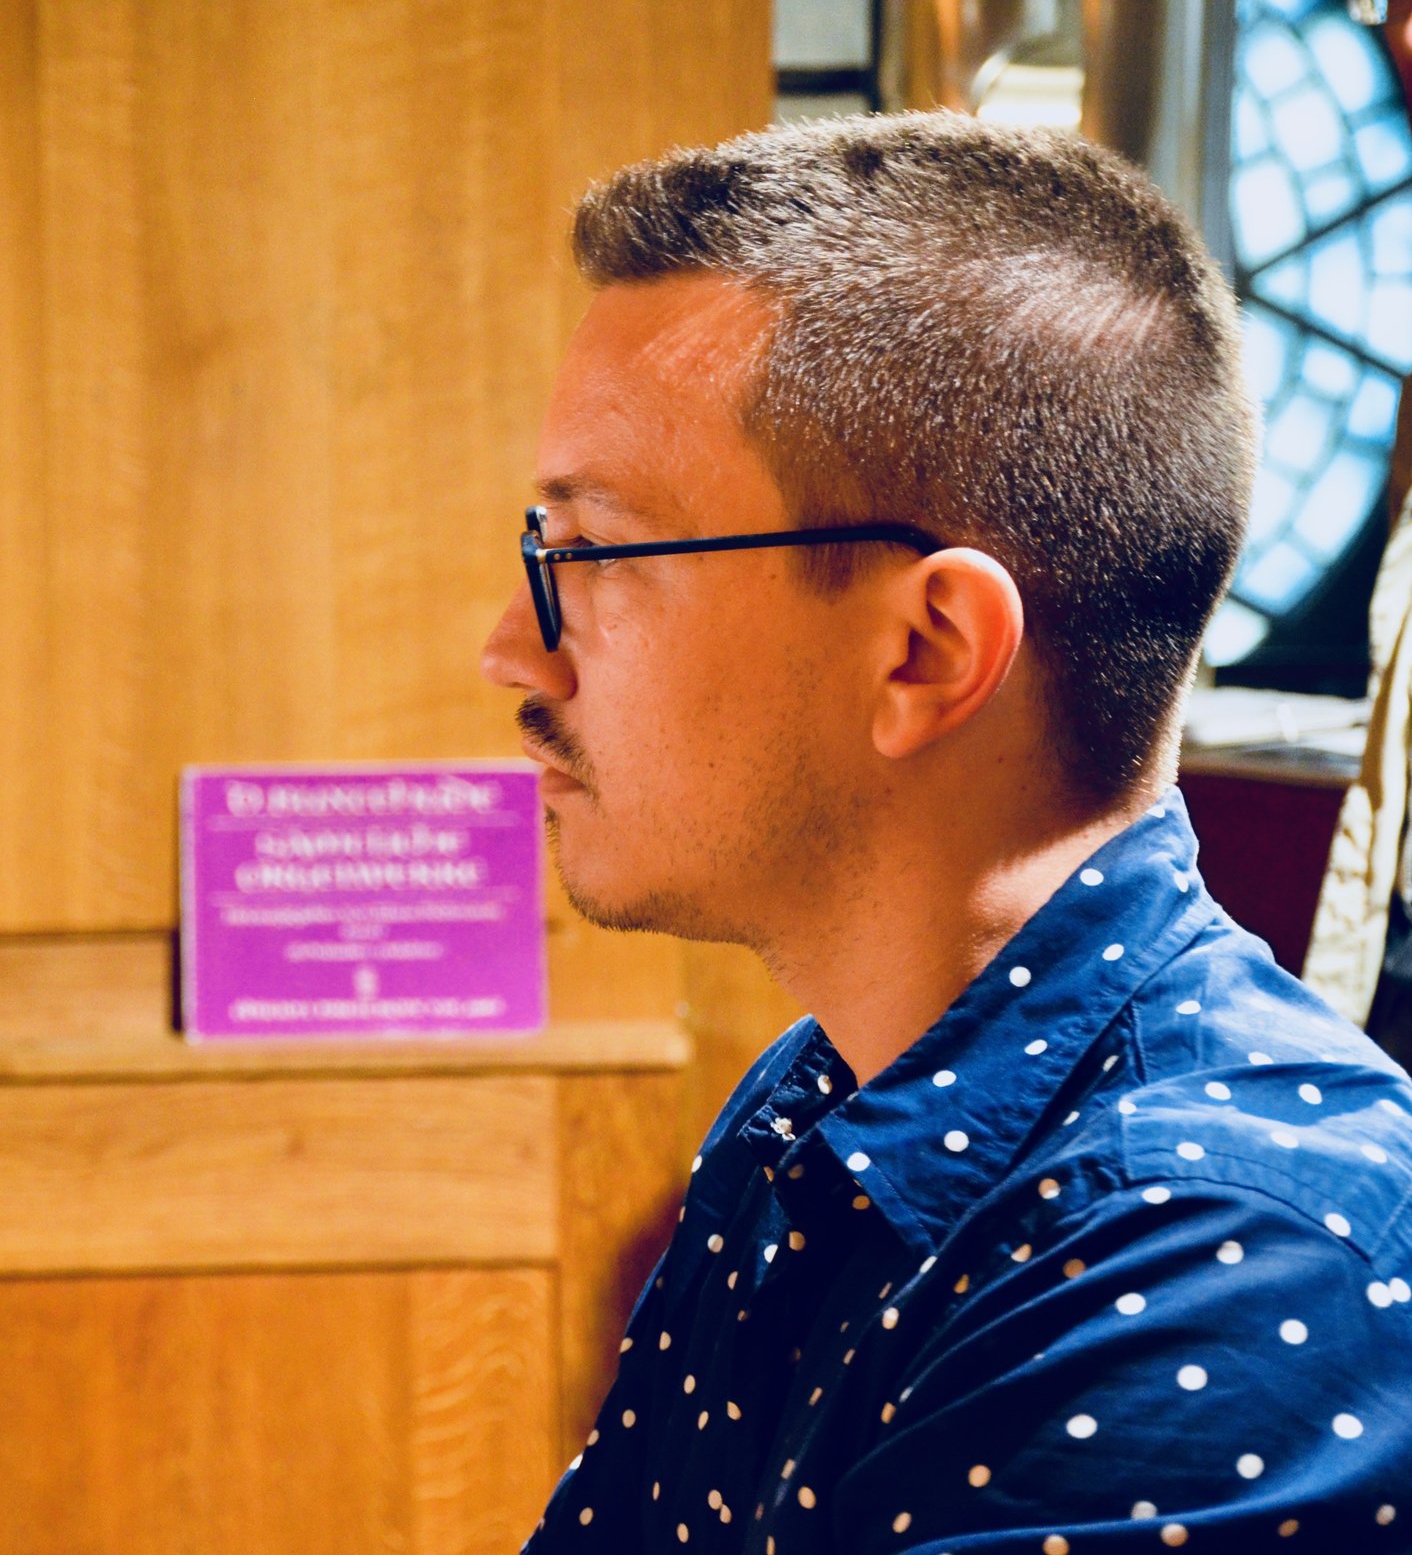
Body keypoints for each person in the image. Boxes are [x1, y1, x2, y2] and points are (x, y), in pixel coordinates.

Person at [486, 112, 1412, 1552]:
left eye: (594, 554)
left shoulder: (1227, 1257)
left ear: (924, 649)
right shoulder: (812, 1100)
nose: (516, 652)